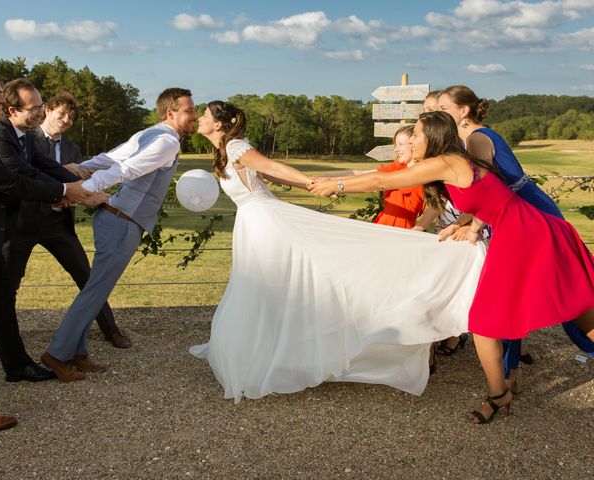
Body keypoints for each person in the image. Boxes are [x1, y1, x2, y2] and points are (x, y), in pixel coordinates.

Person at [189, 101, 486, 403]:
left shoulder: (237, 145)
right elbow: (273, 177)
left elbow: (271, 167)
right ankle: (267, 348)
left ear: (219, 124)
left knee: (278, 284)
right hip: (252, 223)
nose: (200, 118)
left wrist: (315, 183)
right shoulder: (225, 150)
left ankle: (283, 351)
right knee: (261, 285)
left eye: (205, 115)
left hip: (265, 222)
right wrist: (312, 184)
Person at [309, 111, 594, 423]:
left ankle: (500, 394)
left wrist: (336, 184)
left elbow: (382, 180)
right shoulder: (450, 163)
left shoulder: (445, 162)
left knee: (573, 311)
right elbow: (491, 199)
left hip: (530, 234)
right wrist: (464, 225)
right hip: (520, 234)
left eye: (416, 134)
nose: (411, 139)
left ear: (433, 138)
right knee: (497, 322)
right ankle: (500, 393)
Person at [0, 65, 95, 434]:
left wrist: (70, 185)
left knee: (0, 295)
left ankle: (15, 365)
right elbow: (5, 179)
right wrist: (65, 192)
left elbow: (28, 171)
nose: (4, 99)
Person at [437, 85, 594, 388]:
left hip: (529, 215)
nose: (438, 112)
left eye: (444, 107)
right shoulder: (476, 136)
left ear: (463, 111)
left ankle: (510, 376)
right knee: (556, 296)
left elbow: (486, 192)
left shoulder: (477, 139)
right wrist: (464, 222)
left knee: (570, 298)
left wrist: (472, 228)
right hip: (520, 214)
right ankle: (510, 373)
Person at [40, 87, 198, 382]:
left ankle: (77, 351)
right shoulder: (165, 142)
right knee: (95, 291)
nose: (195, 115)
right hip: (122, 223)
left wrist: (78, 170)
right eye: (190, 110)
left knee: (96, 289)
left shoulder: (150, 133)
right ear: (170, 113)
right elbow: (123, 168)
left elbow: (107, 158)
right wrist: (78, 190)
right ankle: (56, 355)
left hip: (115, 221)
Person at [0, 88, 131, 352]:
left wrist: (85, 189)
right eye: (61, 113)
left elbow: (74, 178)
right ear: (48, 110)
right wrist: (70, 189)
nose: (65, 120)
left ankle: (111, 329)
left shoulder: (73, 148)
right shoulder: (25, 137)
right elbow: (26, 177)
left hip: (58, 225)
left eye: (71, 118)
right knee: (9, 282)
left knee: (88, 278)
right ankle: (1, 336)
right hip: (21, 223)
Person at [371, 125, 425, 229]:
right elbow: (369, 176)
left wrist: (420, 227)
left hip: (403, 229)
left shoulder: (426, 172)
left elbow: (433, 207)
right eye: (395, 145)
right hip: (382, 224)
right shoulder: (395, 167)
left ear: (414, 144)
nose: (396, 149)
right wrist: (332, 180)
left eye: (400, 144)